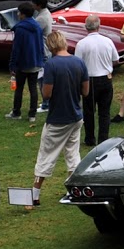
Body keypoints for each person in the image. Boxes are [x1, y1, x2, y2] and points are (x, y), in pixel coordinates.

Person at [31, 31, 88, 205]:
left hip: (58, 118)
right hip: (76, 116)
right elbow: (85, 91)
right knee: (73, 155)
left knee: (46, 155)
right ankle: (73, 190)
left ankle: (35, 195)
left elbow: (46, 94)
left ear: (50, 45)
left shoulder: (52, 65)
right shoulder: (79, 62)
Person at [75, 15, 118, 144]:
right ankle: (103, 138)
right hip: (105, 78)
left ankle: (90, 138)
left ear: (86, 27)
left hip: (89, 80)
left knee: (89, 111)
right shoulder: (107, 41)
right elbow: (115, 59)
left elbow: (78, 64)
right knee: (104, 111)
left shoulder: (81, 44)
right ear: (99, 26)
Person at [8, 1, 46, 121]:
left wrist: (12, 65)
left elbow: (16, 49)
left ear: (23, 14)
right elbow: (41, 44)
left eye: (19, 12)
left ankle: (16, 112)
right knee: (33, 88)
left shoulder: (20, 29)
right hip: (35, 61)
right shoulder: (37, 27)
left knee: (19, 88)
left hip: (23, 63)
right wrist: (42, 58)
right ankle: (32, 114)